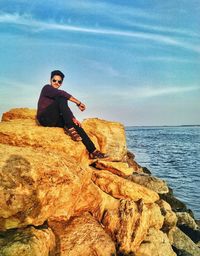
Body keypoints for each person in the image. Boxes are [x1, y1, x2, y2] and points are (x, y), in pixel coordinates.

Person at [36, 70, 108, 159]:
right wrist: (78, 103)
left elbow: (64, 108)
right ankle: (70, 128)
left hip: (53, 120)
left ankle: (93, 151)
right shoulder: (46, 88)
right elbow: (62, 94)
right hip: (44, 118)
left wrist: (73, 118)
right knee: (62, 97)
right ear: (50, 80)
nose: (56, 83)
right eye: (54, 80)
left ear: (61, 83)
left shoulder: (58, 97)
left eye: (59, 81)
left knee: (76, 124)